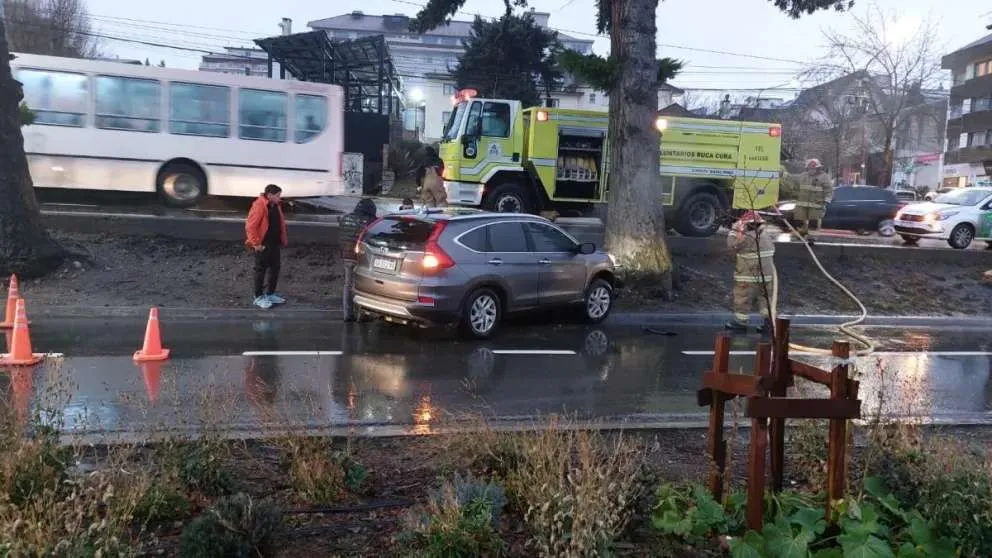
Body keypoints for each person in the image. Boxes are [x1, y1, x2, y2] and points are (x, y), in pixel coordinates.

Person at [725, 210, 776, 334]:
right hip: (767, 276)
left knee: (742, 297)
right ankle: (769, 323)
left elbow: (731, 246)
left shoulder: (747, 237)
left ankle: (740, 322)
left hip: (748, 276)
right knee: (766, 299)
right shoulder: (765, 235)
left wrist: (734, 231)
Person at [245, 185, 288, 310]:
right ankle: (258, 297)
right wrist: (256, 244)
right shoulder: (259, 206)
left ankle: (270, 294)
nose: (280, 198)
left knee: (275, 269)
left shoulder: (275, 205)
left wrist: (282, 239)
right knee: (260, 270)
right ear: (270, 195)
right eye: (278, 195)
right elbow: (250, 226)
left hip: (274, 244)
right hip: (263, 245)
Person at [338, 198, 378, 322]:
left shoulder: (345, 219)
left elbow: (340, 237)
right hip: (362, 258)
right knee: (363, 286)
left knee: (348, 285)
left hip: (346, 256)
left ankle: (347, 314)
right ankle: (362, 315)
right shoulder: (371, 221)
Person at [794, 159, 833, 235]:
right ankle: (801, 235)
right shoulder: (803, 176)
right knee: (799, 221)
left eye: (813, 168)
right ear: (807, 168)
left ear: (818, 168)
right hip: (802, 205)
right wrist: (783, 174)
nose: (811, 170)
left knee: (813, 223)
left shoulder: (824, 177)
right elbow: (793, 179)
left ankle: (812, 238)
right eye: (810, 168)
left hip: (816, 205)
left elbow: (829, 190)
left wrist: (826, 200)